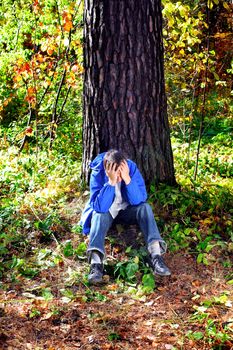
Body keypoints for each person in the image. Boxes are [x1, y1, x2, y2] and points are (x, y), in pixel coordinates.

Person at [80, 149, 171, 284]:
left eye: (120, 171)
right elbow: (99, 207)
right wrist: (111, 182)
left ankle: (156, 256)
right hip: (107, 212)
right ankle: (96, 264)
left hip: (127, 210)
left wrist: (127, 179)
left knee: (145, 208)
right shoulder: (98, 172)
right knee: (98, 215)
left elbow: (139, 200)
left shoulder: (130, 168)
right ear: (107, 168)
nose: (119, 176)